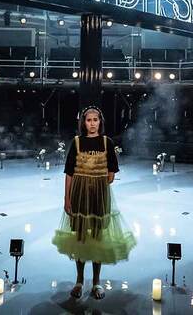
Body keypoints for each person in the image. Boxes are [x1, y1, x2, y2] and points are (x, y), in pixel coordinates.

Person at [52, 106, 136, 300]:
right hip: (78, 195)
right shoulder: (76, 142)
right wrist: (67, 198)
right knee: (80, 236)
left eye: (95, 120)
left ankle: (96, 281)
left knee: (98, 237)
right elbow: (69, 173)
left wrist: (95, 181)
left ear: (100, 122)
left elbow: (111, 175)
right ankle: (80, 280)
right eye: (88, 120)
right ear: (83, 122)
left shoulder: (107, 143)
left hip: (99, 196)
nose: (92, 123)